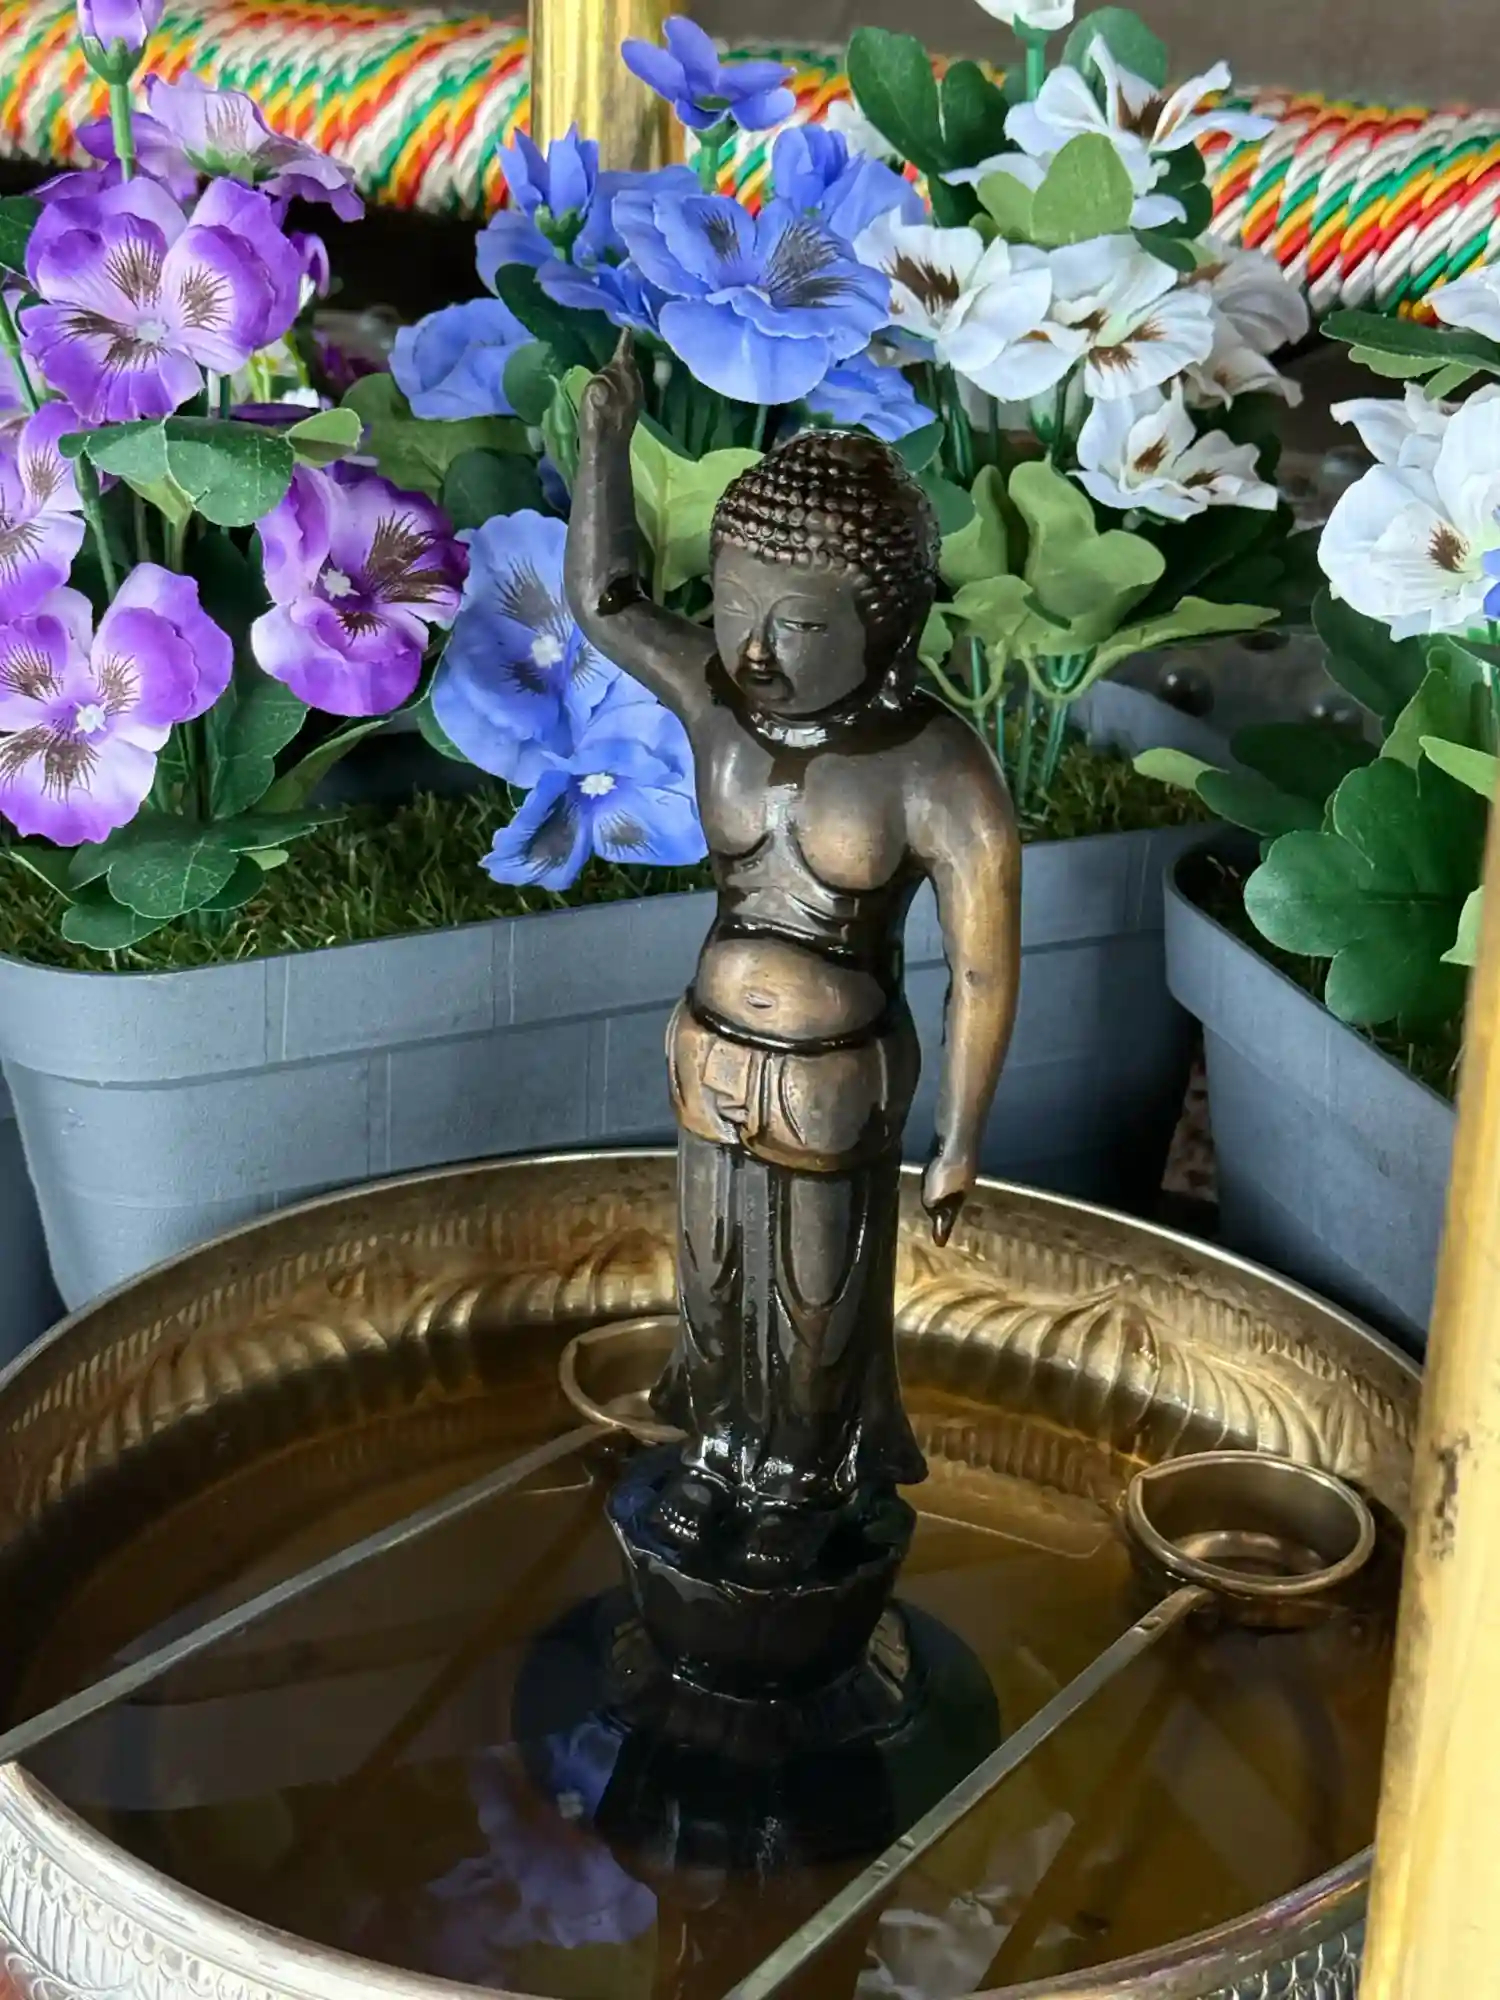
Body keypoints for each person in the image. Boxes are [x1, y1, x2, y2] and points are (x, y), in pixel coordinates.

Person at [566, 335, 1022, 1579]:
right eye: (733, 606)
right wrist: (604, 444)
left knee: (818, 1296)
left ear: (888, 621)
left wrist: (962, 1136)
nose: (755, 648)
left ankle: (801, 1480)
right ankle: (719, 1454)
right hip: (709, 1055)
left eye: (799, 623)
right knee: (716, 1282)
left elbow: (982, 970)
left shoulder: (937, 768)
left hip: (835, 1075)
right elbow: (609, 604)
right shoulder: (718, 701)